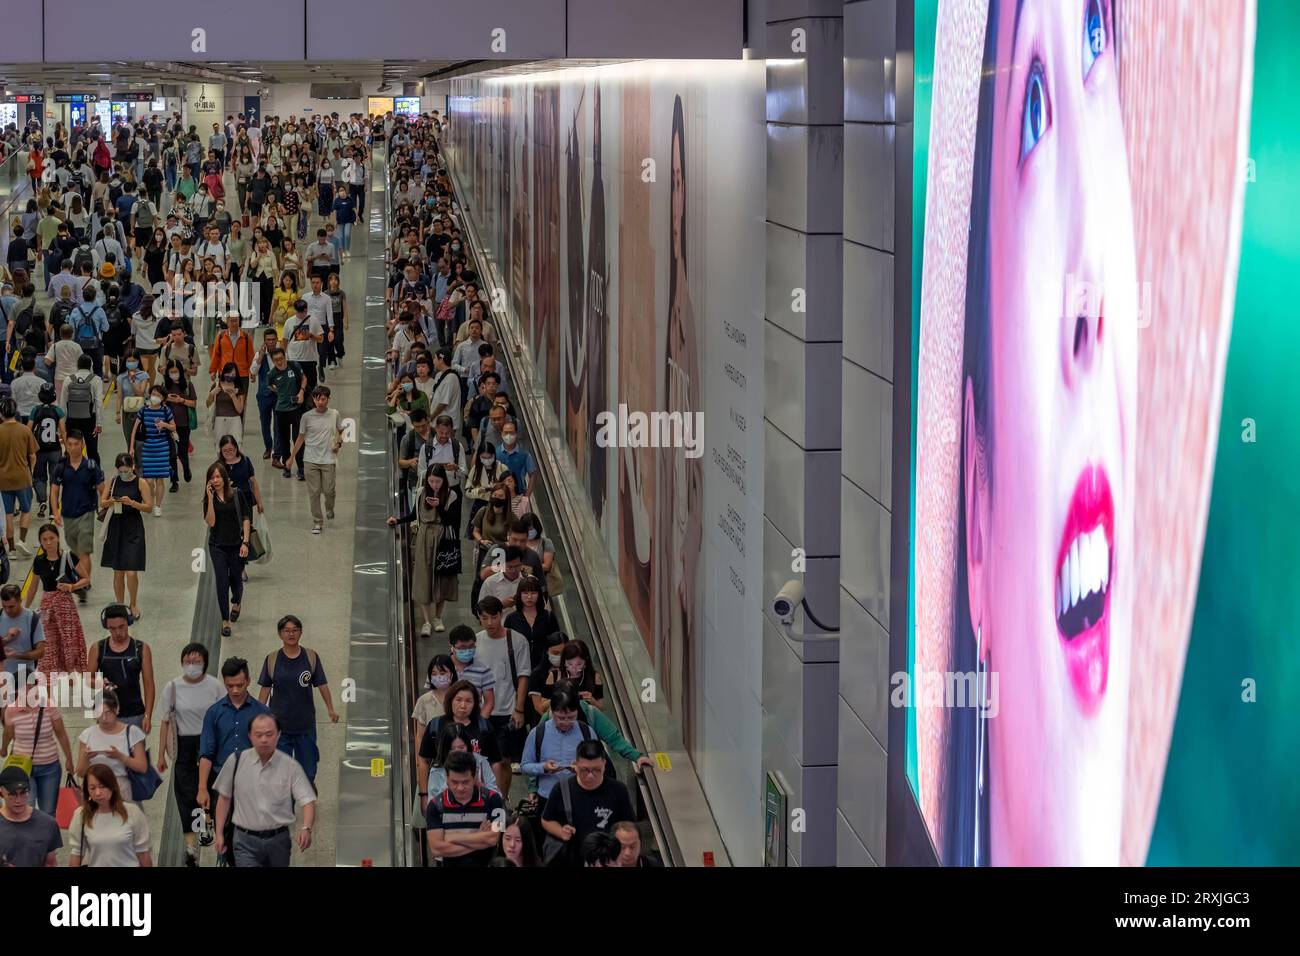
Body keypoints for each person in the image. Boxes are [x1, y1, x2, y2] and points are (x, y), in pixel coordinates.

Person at [213, 713, 316, 868]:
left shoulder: (290, 766)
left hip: (278, 841)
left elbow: (307, 800)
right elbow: (224, 798)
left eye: (269, 734)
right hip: (244, 841)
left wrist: (306, 828)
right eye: (258, 735)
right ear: (250, 736)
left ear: (278, 735)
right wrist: (219, 833)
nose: (264, 740)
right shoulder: (235, 761)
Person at [197, 657, 271, 866]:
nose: (235, 690)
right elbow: (206, 753)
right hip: (223, 783)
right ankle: (226, 859)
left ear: (248, 681)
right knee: (226, 828)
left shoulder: (262, 713)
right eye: (230, 686)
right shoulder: (214, 713)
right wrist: (202, 788)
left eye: (240, 685)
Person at [156, 642, 225, 867]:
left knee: (210, 789)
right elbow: (165, 722)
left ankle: (208, 822)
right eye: (188, 661)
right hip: (184, 747)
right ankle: (190, 847)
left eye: (197, 661)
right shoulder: (173, 687)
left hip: (209, 744)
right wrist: (161, 755)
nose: (192, 665)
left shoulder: (214, 686)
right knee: (186, 797)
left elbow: (224, 716)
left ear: (205, 663)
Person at [257, 615, 340, 788]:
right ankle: (287, 804)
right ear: (280, 634)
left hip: (305, 726)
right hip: (279, 727)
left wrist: (331, 709)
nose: (291, 634)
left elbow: (322, 685)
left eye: (294, 630)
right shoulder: (272, 659)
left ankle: (308, 790)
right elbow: (265, 689)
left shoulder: (310, 657)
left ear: (301, 632)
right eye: (286, 631)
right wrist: (258, 716)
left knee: (308, 770)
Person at [386, 464, 460, 635]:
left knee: (442, 577)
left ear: (444, 480)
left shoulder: (451, 495)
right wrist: (398, 520)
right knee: (422, 578)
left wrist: (439, 506)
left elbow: (452, 520)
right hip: (423, 537)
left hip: (443, 538)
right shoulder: (421, 493)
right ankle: (426, 621)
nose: (434, 484)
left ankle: (438, 617)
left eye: (438, 481)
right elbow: (415, 514)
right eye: (431, 481)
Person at [539, 740, 635, 866]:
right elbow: (546, 820)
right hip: (574, 858)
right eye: (585, 770)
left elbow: (629, 824)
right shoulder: (562, 789)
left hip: (608, 859)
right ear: (575, 765)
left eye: (596, 770)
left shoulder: (618, 790)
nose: (590, 776)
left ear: (604, 764)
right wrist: (560, 831)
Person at [473, 595, 530, 798]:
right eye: (485, 618)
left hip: (507, 710)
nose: (490, 623)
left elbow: (523, 675)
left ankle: (502, 799)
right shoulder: (476, 641)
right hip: (481, 713)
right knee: (481, 760)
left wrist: (519, 708)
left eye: (493, 617)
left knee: (504, 760)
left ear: (501, 615)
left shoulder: (517, 640)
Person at [1, 670, 74, 815]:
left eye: (30, 686)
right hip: (23, 768)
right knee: (26, 809)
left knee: (48, 811)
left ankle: (46, 837)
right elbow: (8, 733)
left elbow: (61, 733)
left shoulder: (48, 706)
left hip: (49, 767)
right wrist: (3, 748)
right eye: (22, 687)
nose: (27, 690)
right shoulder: (11, 710)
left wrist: (69, 759)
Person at [25, 523, 90, 675]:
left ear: (58, 538)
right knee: (48, 642)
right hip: (47, 607)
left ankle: (71, 671)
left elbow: (86, 579)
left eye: (51, 538)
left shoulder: (69, 557)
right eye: (44, 539)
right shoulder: (39, 561)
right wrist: (25, 608)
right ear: (40, 541)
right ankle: (50, 674)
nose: (48, 542)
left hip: (65, 606)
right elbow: (33, 586)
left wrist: (72, 588)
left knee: (68, 640)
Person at [424, 750, 504, 867]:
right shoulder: (435, 806)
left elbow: (494, 838)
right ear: (446, 778)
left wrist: (453, 837)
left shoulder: (494, 799)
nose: (460, 788)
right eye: (454, 782)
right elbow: (436, 849)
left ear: (475, 776)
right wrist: (479, 836)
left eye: (465, 782)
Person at [85, 605, 155, 734]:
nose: (118, 632)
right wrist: (101, 683)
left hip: (135, 713)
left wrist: (147, 715)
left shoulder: (141, 648)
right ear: (106, 627)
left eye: (121, 627)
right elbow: (88, 679)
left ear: (128, 623)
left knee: (136, 753)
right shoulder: (98, 648)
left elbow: (149, 684)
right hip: (107, 714)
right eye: (112, 628)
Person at [67, 764, 153, 867]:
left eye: (102, 787)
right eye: (92, 788)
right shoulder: (81, 815)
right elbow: (76, 853)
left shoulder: (132, 812)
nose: (98, 793)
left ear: (112, 786)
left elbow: (143, 852)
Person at [99, 453, 151, 619]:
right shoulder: (113, 481)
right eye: (121, 470)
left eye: (126, 469)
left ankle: (133, 602)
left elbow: (148, 507)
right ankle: (120, 603)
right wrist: (113, 501)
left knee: (131, 572)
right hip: (116, 527)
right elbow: (102, 501)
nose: (124, 472)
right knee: (118, 571)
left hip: (133, 527)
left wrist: (132, 503)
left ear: (132, 467)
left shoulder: (140, 483)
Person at [203, 462, 251, 638]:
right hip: (217, 546)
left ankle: (237, 602)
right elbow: (211, 522)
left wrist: (245, 542)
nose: (215, 480)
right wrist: (209, 499)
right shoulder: (209, 499)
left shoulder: (237, 494)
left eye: (218, 477)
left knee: (236, 580)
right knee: (222, 582)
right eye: (212, 478)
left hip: (236, 544)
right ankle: (225, 620)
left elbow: (246, 518)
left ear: (224, 477)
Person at [75, 688, 148, 801]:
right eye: (99, 714)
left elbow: (142, 767)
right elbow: (80, 772)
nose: (104, 718)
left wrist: (120, 756)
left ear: (117, 709)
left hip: (122, 790)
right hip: (96, 792)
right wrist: (86, 758)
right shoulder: (87, 734)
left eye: (108, 713)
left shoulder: (132, 732)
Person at [289, 385, 343, 534]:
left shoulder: (334, 414)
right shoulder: (306, 417)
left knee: (329, 490)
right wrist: (291, 457)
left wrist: (338, 443)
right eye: (317, 399)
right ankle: (317, 522)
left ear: (328, 399)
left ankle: (329, 507)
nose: (320, 402)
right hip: (310, 459)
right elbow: (300, 438)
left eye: (323, 399)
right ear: (313, 399)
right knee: (314, 492)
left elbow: (341, 431)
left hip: (328, 459)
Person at [130, 383, 177, 516]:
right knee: (149, 480)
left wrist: (164, 425)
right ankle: (150, 500)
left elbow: (173, 427)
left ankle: (158, 506)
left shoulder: (165, 411)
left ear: (163, 398)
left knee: (160, 479)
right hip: (148, 446)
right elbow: (134, 430)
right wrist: (131, 447)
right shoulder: (143, 410)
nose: (155, 397)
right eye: (154, 394)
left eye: (159, 395)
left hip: (162, 447)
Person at [0, 766, 61, 867]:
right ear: (1, 792)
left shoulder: (48, 824)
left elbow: (50, 863)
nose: (18, 800)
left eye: (23, 793)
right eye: (12, 794)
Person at [426, 720, 499, 802]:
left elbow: (497, 797)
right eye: (452, 749)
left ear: (468, 747)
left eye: (461, 748)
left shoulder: (480, 762)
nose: (457, 752)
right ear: (445, 750)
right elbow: (432, 805)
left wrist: (481, 787)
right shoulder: (437, 770)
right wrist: (448, 784)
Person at [0, 398, 37, 556]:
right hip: (23, 477)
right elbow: (33, 455)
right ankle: (22, 540)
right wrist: (31, 471)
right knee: (26, 510)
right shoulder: (25, 430)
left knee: (8, 514)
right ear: (16, 412)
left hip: (3, 479)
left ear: (1, 414)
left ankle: (12, 549)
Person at [266, 348, 306, 479]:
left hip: (296, 410)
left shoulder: (294, 366)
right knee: (284, 440)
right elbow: (269, 385)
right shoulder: (271, 374)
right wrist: (278, 392)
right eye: (276, 360)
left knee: (298, 439)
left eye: (281, 359)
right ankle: (287, 466)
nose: (279, 362)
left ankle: (301, 468)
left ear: (285, 357)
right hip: (281, 411)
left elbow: (304, 378)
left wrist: (301, 391)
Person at [60, 353, 105, 465]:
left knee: (72, 450)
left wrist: (62, 424)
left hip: (71, 420)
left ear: (77, 365)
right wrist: (99, 423)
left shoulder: (68, 379)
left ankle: (71, 473)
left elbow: (62, 404)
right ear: (90, 365)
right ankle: (95, 476)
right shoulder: (96, 380)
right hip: (90, 420)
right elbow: (99, 402)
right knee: (92, 451)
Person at [411, 654, 455, 763]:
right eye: (434, 674)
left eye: (443, 673)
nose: (438, 677)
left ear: (452, 674)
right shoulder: (424, 701)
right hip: (434, 759)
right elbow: (420, 736)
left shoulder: (460, 698)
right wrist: (420, 762)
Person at [162, 359, 197, 490]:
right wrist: (166, 399)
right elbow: (158, 402)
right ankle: (174, 480)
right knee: (171, 453)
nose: (174, 374)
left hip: (183, 424)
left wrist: (181, 400)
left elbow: (193, 403)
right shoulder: (164, 385)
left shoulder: (188, 385)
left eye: (176, 371)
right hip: (168, 424)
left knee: (182, 451)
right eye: (171, 372)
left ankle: (186, 468)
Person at [207, 361, 246, 446]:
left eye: (233, 375)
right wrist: (211, 394)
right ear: (224, 373)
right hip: (219, 420)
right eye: (228, 373)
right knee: (219, 445)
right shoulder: (217, 386)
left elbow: (240, 409)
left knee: (237, 444)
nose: (230, 376)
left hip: (235, 420)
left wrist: (233, 396)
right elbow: (208, 404)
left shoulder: (239, 387)